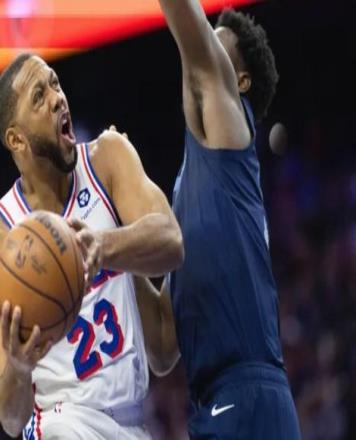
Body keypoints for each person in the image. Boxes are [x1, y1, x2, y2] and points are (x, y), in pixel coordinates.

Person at [0, 53, 183, 439]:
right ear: (16, 139)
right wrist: (18, 369)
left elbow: (172, 242)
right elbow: (10, 418)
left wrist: (104, 245)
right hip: (62, 421)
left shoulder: (107, 159)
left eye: (55, 83)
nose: (57, 98)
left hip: (133, 421)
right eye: (39, 97)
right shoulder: (0, 248)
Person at [155, 2, 302, 439]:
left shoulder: (231, 129)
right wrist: (103, 247)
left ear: (239, 82)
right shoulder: (191, 192)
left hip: (246, 394)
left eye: (215, 48)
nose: (199, 52)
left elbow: (193, 39)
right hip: (218, 402)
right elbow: (162, 342)